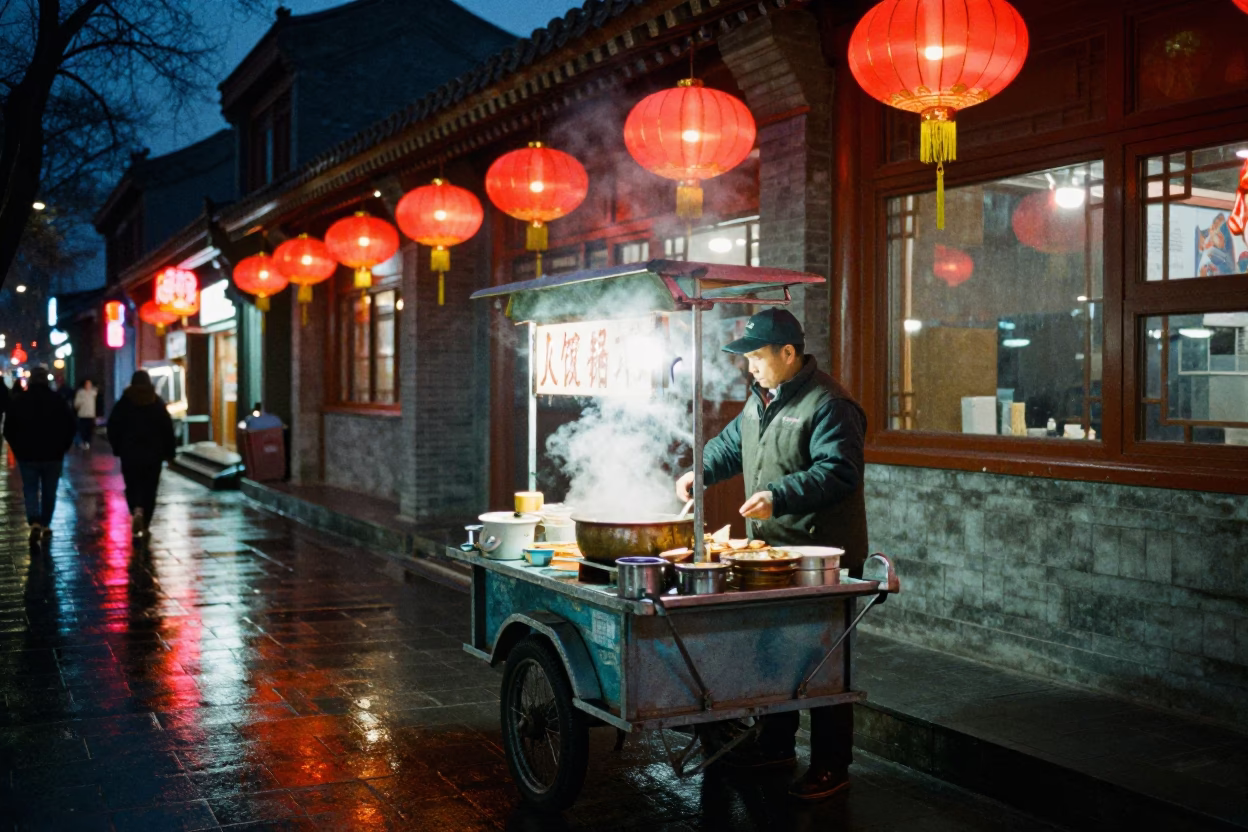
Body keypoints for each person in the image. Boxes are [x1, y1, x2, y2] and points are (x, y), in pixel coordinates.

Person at [674, 308, 868, 801]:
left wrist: (778, 496)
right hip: (775, 553)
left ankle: (831, 764)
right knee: (775, 651)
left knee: (822, 659)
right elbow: (732, 445)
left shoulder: (830, 403)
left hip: (821, 555)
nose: (750, 367)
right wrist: (700, 470)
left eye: (757, 357)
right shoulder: (761, 397)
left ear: (788, 353)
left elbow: (839, 472)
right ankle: (777, 744)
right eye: (747, 359)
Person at [3, 367, 77, 543]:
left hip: (27, 455)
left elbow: (9, 429)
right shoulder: (57, 400)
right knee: (49, 490)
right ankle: (45, 523)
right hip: (53, 454)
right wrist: (63, 447)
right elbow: (70, 425)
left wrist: (18, 449)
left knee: (30, 488)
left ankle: (34, 520)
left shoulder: (20, 401)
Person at [107, 370, 177, 540]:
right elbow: (167, 429)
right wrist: (170, 453)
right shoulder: (156, 402)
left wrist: (117, 447)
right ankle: (145, 524)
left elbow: (112, 426)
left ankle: (136, 509)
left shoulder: (124, 402)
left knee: (132, 485)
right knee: (150, 488)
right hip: (153, 455)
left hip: (129, 453)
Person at [73, 379, 98, 450]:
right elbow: (76, 404)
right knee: (83, 430)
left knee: (89, 430)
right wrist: (82, 402)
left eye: (90, 384)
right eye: (87, 384)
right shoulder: (80, 393)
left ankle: (87, 442)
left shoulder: (93, 393)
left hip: (91, 415)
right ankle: (83, 442)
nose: (89, 385)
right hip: (83, 415)